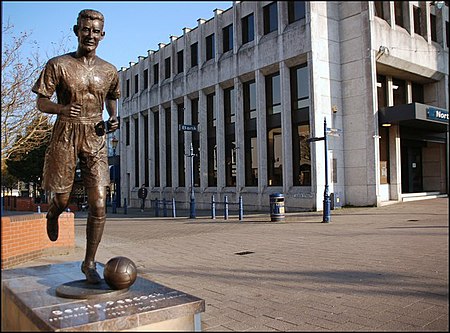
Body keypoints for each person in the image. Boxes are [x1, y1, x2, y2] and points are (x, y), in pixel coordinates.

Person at [32, 9, 120, 284]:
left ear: (102, 35)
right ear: (76, 30)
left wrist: (113, 116)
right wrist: (61, 108)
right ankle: (53, 214)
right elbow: (41, 101)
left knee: (99, 203)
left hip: (95, 135)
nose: (90, 35)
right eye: (85, 29)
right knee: (62, 198)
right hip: (66, 133)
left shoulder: (109, 70)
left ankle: (89, 262)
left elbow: (111, 98)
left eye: (95, 31)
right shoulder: (58, 64)